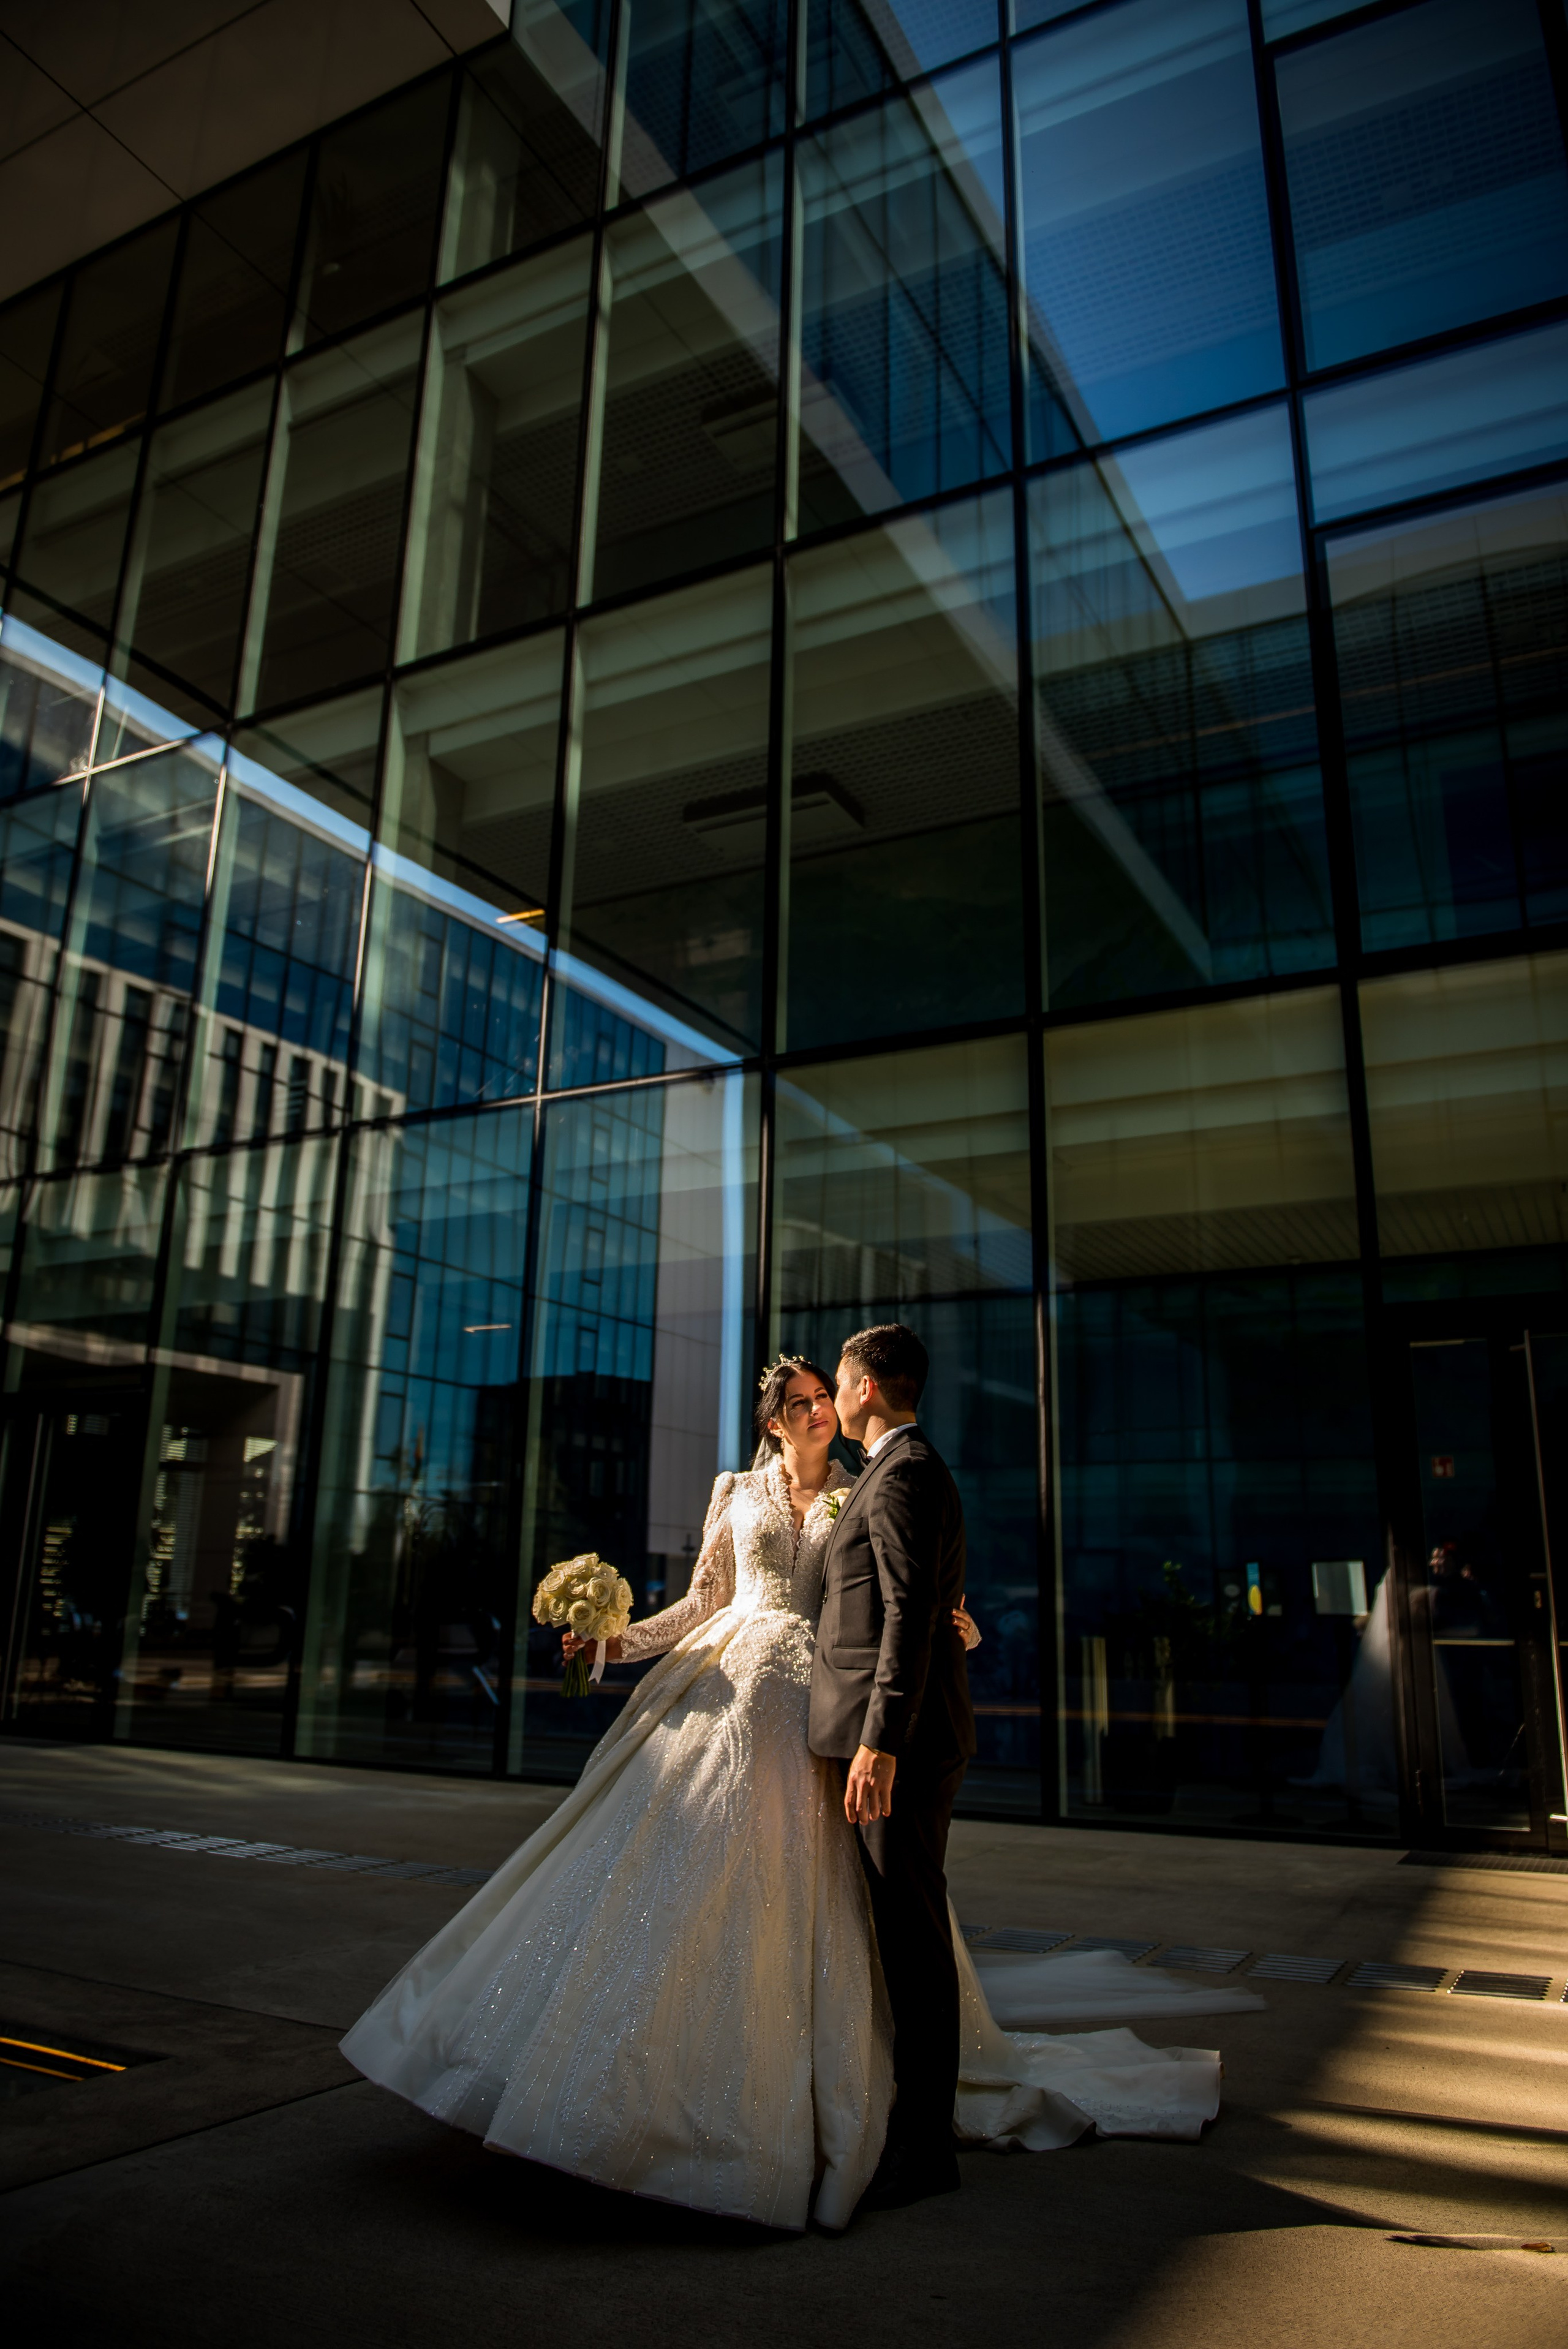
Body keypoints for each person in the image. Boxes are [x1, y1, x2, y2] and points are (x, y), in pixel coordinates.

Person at [341, 1353, 1243, 2232]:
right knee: (682, 1872)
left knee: (816, 1887)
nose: (820, 1409)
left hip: (821, 1712)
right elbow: (699, 1603)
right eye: (804, 1400)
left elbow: (899, 1587)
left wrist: (947, 1622)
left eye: (826, 1395)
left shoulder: (868, 1486)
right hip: (727, 1690)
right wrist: (611, 1645)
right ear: (775, 1419)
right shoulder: (735, 1490)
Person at [810, 1322, 971, 2210]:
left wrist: (880, 1743)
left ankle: (924, 2146)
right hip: (896, 1736)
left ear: (868, 1388)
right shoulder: (895, 1472)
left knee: (913, 1940)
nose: (833, 1394)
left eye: (839, 1379)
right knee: (905, 1933)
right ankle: (918, 2130)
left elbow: (909, 1613)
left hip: (899, 1747)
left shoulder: (903, 1474)